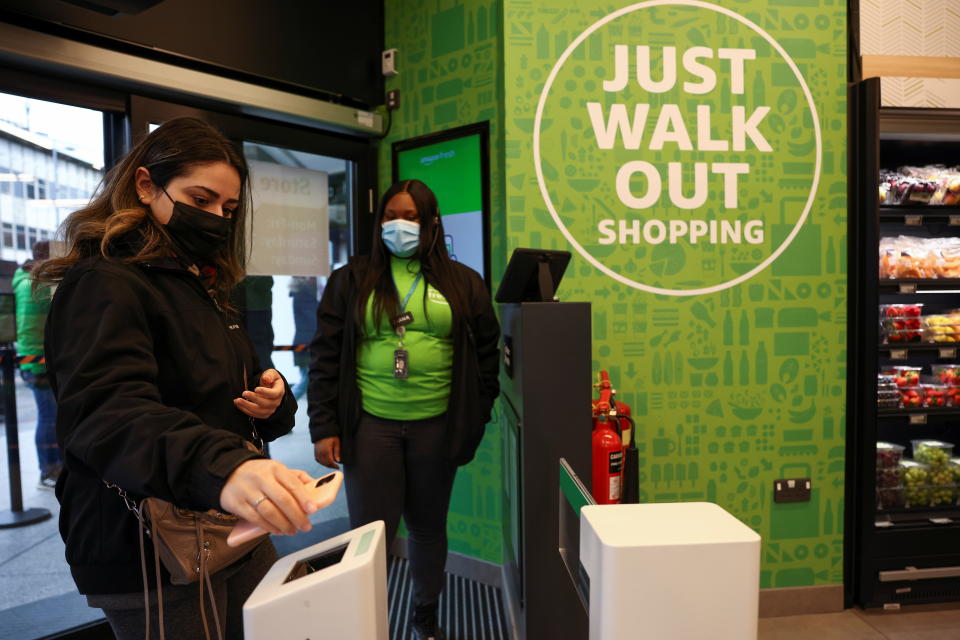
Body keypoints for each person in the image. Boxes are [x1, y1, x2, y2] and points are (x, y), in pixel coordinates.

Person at [35, 117, 318, 639]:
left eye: (228, 209)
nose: (214, 217)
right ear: (145, 185)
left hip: (226, 515)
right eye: (201, 198)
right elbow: (108, 414)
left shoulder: (203, 283)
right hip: (150, 541)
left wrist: (272, 400)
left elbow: (227, 389)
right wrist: (228, 469)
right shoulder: (104, 282)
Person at [308, 179, 500, 640]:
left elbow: (487, 354)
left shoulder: (463, 282)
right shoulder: (351, 279)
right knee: (369, 535)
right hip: (370, 426)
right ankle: (364, 620)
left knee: (428, 528)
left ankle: (424, 615)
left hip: (438, 426)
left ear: (431, 223)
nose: (399, 225)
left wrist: (477, 415)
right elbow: (325, 355)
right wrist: (324, 425)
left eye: (411, 217)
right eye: (391, 215)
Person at [12, 240, 62, 490]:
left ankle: (54, 468)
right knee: (49, 417)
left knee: (50, 416)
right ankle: (49, 471)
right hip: (38, 361)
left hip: (35, 359)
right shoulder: (37, 283)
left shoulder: (24, 280)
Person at [289, 276, 319, 400]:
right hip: (307, 342)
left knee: (307, 379)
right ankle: (285, 404)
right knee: (306, 380)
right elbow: (314, 319)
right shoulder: (305, 294)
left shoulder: (301, 293)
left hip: (304, 341)